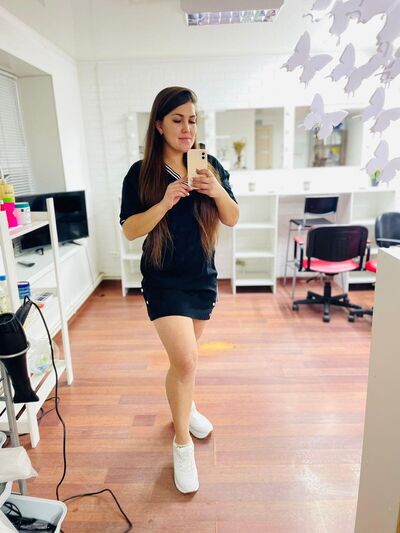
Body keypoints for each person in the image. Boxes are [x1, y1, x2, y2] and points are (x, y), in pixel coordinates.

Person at [119, 86, 239, 494]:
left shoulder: (209, 165)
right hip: (163, 279)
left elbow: (232, 217)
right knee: (186, 361)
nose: (187, 128)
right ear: (159, 125)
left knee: (184, 363)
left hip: (201, 277)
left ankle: (185, 407)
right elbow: (130, 229)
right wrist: (165, 201)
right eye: (177, 120)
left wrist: (216, 190)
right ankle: (182, 444)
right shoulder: (141, 173)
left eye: (192, 120)